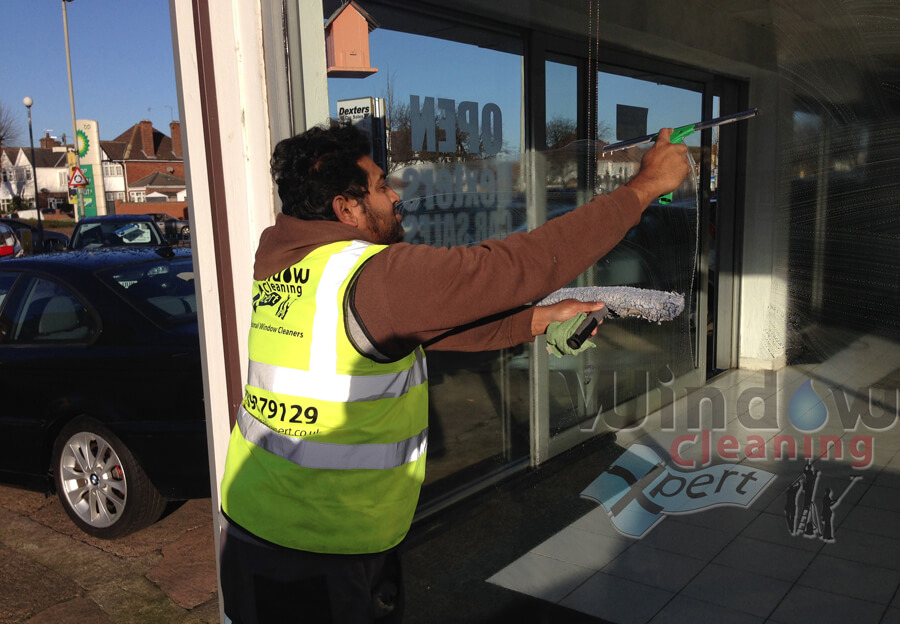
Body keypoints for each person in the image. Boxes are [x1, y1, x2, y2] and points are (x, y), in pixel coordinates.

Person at [218, 120, 690, 623]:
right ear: (347, 208)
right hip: (318, 551)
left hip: (263, 528)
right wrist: (643, 189)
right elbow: (515, 267)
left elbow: (405, 331)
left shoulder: (290, 268)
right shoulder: (371, 274)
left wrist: (533, 320)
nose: (395, 196)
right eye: (380, 187)